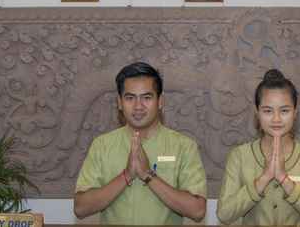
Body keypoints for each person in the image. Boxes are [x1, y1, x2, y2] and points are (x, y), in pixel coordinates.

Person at [73, 62, 207, 225]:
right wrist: (127, 175)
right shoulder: (102, 145)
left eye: (147, 97)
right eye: (130, 98)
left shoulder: (184, 146)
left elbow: (198, 211)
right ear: (120, 103)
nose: (138, 106)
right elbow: (80, 208)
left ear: (160, 102)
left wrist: (147, 174)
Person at [216, 69, 300, 225]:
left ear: (295, 113)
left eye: (284, 111)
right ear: (257, 113)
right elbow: (224, 214)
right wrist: (263, 179)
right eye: (268, 111)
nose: (276, 119)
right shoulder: (239, 156)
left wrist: (285, 180)